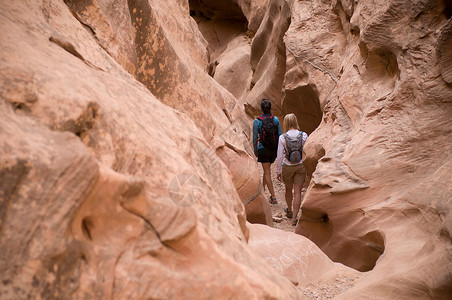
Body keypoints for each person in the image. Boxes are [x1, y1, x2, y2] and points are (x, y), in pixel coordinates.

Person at [276, 113, 308, 226]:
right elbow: (306, 152)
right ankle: (295, 218)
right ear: (295, 121)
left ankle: (289, 210)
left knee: (288, 190)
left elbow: (280, 156)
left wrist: (278, 170)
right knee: (298, 192)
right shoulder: (304, 135)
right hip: (300, 166)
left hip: (288, 166)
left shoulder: (282, 137)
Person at [253, 99, 282, 204]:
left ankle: (273, 197)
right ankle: (263, 190)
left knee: (267, 173)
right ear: (270, 108)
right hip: (273, 150)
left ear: (261, 108)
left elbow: (255, 138)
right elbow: (280, 135)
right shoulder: (276, 120)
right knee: (267, 171)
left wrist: (255, 150)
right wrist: (278, 151)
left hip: (263, 149)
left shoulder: (257, 121)